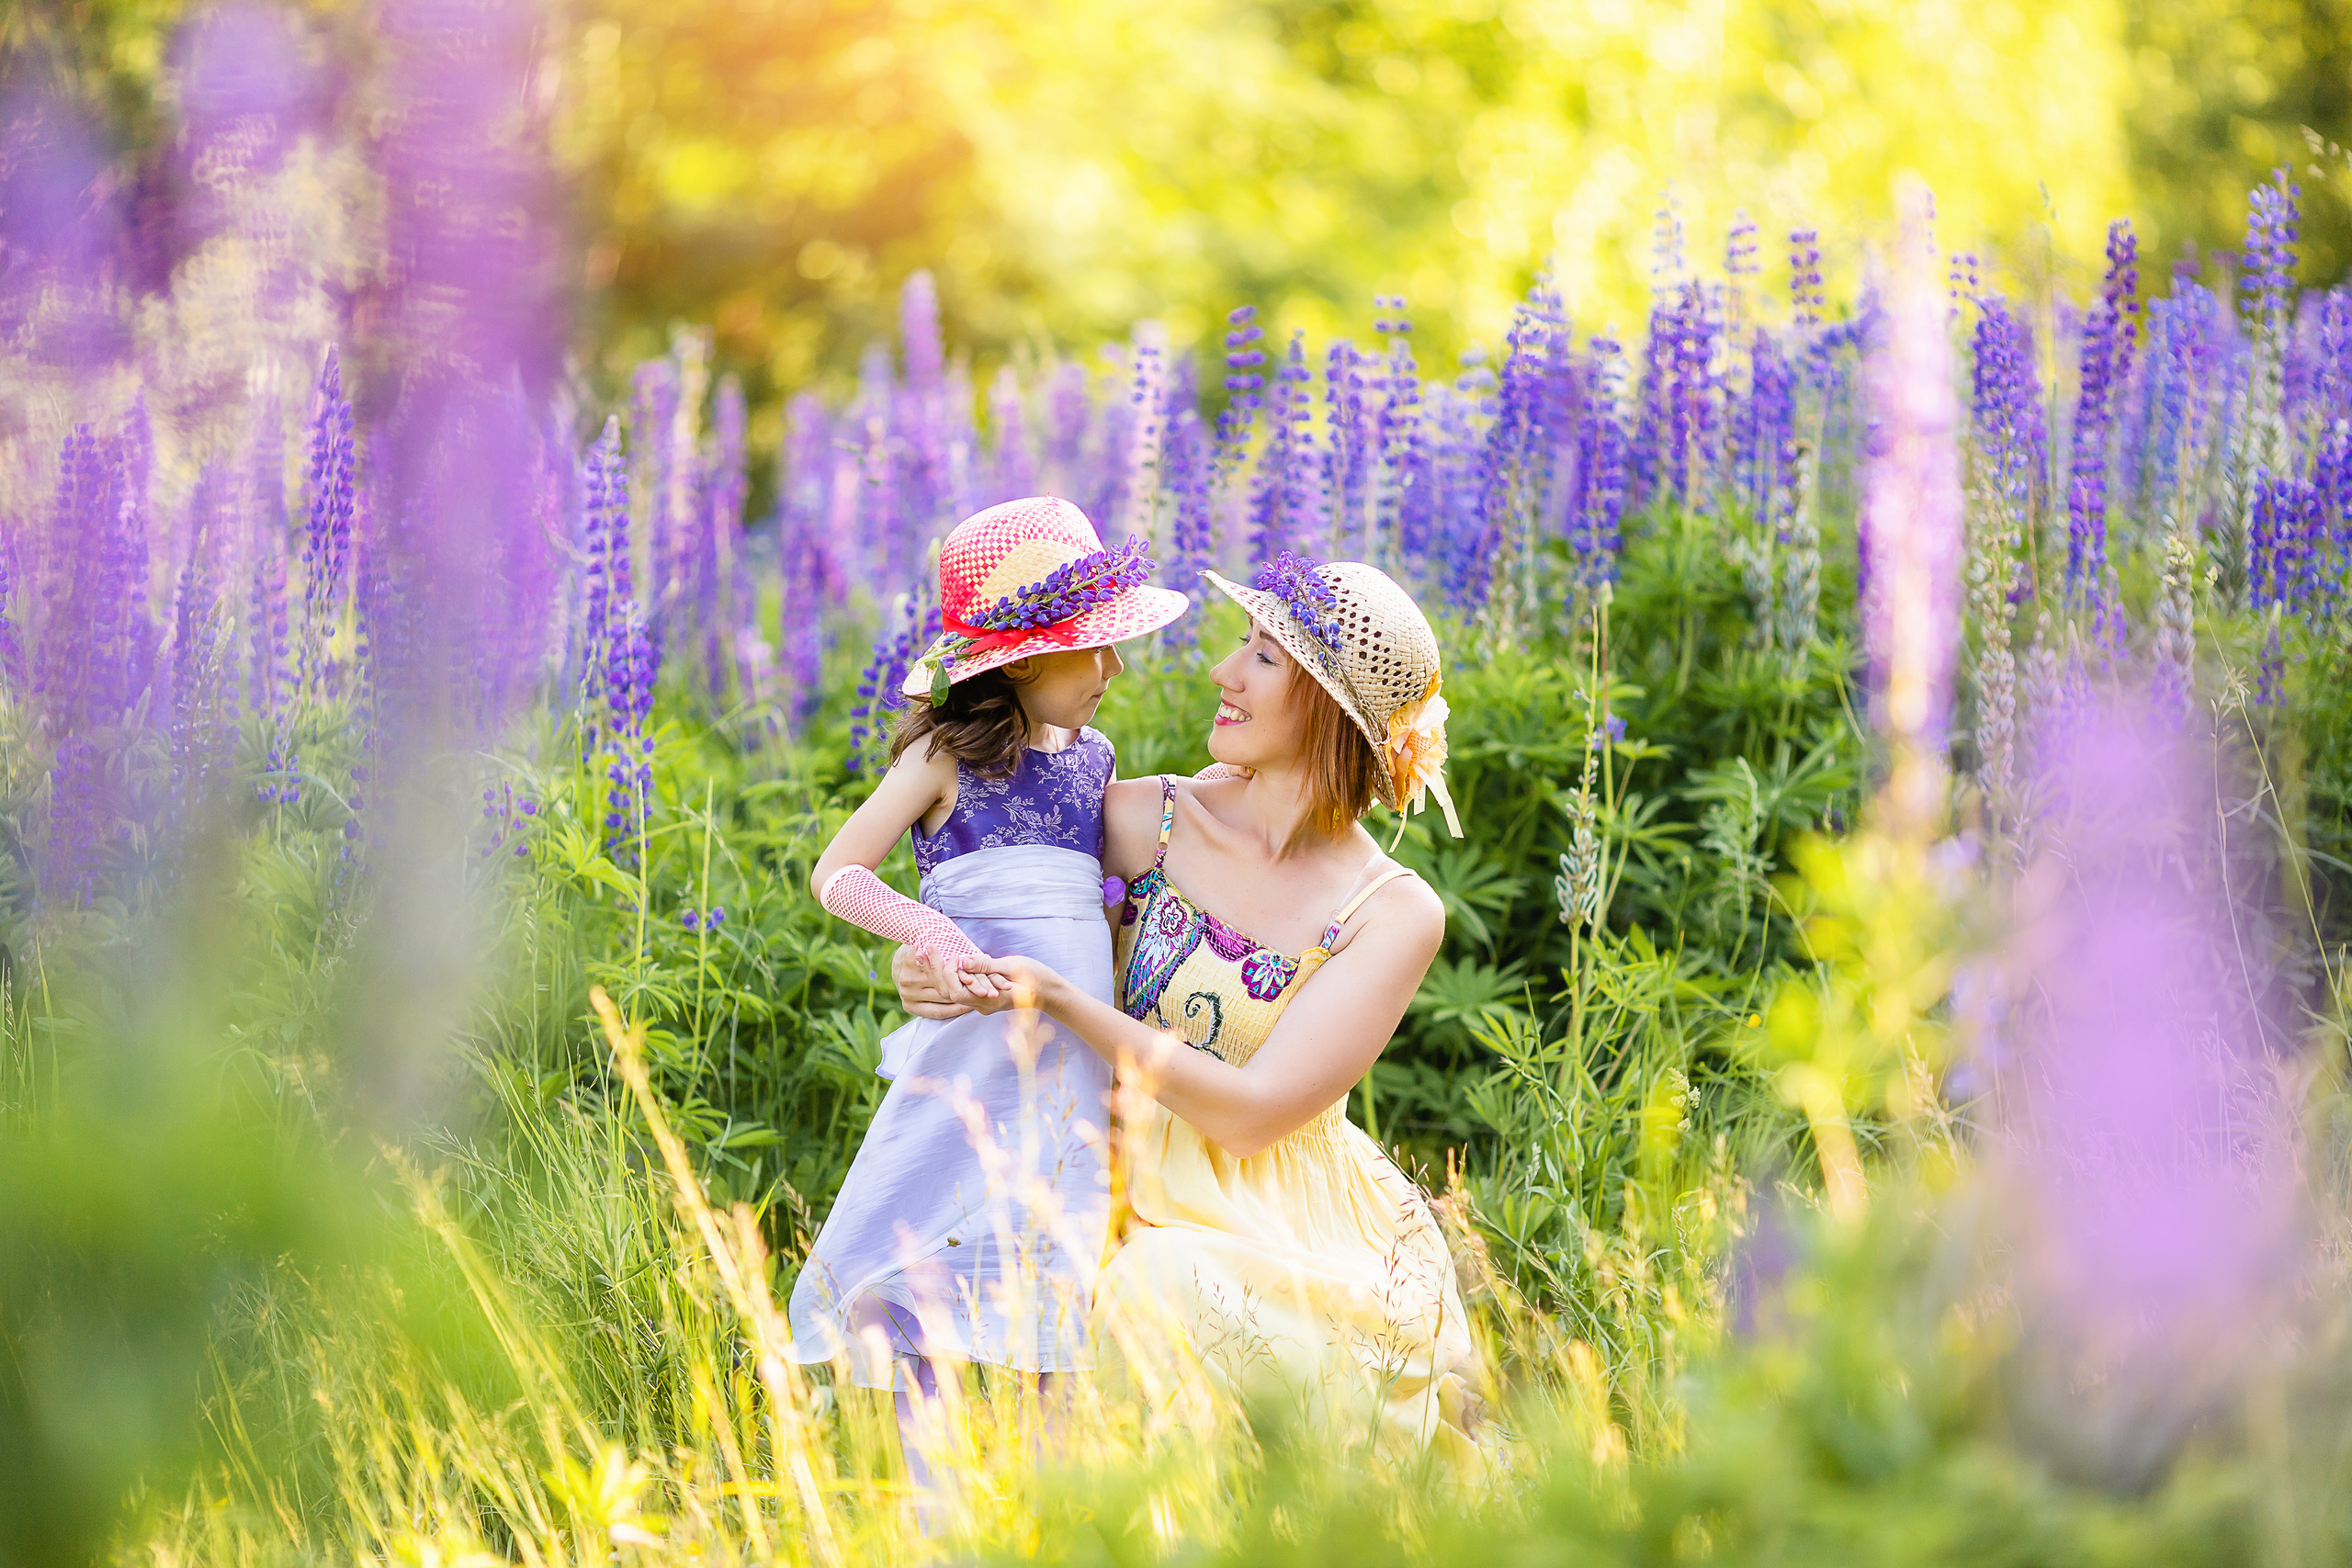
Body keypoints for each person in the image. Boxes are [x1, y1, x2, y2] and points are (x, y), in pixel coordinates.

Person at [899, 551, 1484, 1461]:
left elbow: (1251, 1118)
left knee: (1156, 1285)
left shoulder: (1393, 912)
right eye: (1239, 645)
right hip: (1111, 1169)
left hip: (1281, 1224)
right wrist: (927, 964)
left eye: (1262, 657)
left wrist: (1054, 996)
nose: (1224, 671)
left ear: (1329, 708)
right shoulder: (1143, 819)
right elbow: (988, 904)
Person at [788, 495, 1187, 1510]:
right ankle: (926, 1501)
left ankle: (1055, 1503)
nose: (1113, 671)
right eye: (1091, 651)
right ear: (1018, 661)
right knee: (924, 1235)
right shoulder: (943, 759)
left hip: (1067, 1070)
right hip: (967, 1059)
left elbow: (1098, 916)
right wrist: (926, 936)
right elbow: (840, 873)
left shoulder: (1095, 767)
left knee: (1054, 1265)